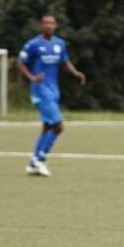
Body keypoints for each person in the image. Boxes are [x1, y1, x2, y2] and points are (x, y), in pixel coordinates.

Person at [16, 14, 86, 177]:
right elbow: (20, 62)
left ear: (55, 26)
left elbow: (64, 61)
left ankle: (33, 163)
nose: (48, 26)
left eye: (51, 23)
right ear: (41, 25)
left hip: (54, 90)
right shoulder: (33, 44)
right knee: (58, 125)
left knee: (48, 127)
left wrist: (75, 73)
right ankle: (40, 160)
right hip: (40, 90)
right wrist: (32, 77)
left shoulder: (59, 44)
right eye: (45, 23)